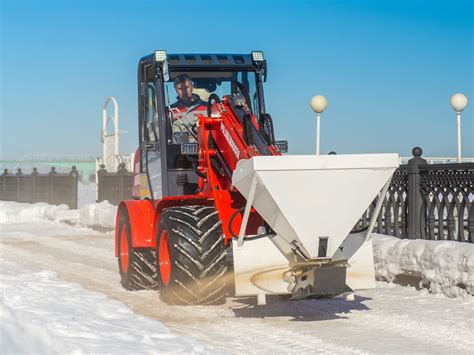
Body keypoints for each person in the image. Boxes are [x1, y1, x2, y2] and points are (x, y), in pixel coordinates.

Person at [170, 74, 207, 143]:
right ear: (175, 90)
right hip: (176, 152)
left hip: (204, 151)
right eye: (180, 89)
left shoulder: (208, 108)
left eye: (187, 87)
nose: (184, 92)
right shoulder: (169, 111)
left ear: (192, 87)